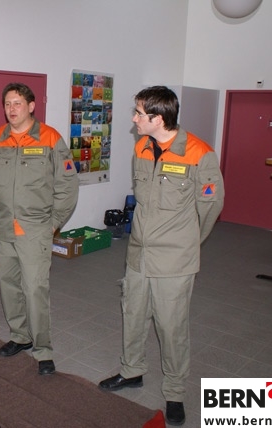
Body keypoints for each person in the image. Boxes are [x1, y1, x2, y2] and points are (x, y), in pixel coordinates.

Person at [98, 86, 224, 426]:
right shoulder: (141, 147)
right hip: (139, 252)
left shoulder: (199, 153)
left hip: (175, 259)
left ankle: (174, 392)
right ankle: (132, 371)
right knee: (133, 315)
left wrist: (187, 243)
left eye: (139, 114)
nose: (134, 119)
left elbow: (210, 207)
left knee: (171, 327)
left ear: (158, 118)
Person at [0, 83, 79, 375]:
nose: (12, 109)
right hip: (2, 228)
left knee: (35, 289)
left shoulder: (50, 138)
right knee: (8, 286)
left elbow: (67, 185)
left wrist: (54, 223)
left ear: (31, 106)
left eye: (18, 103)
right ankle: (20, 336)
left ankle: (43, 349)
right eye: (8, 103)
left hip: (35, 229)